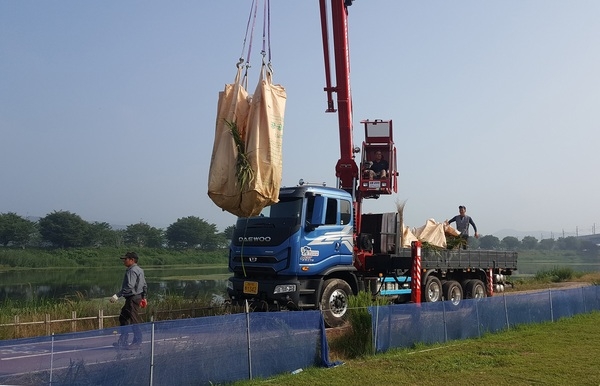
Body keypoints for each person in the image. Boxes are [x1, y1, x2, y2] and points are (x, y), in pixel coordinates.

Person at [110, 251, 147, 349]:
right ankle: (123, 340)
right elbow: (144, 285)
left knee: (134, 320)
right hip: (137, 297)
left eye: (125, 259)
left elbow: (130, 286)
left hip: (132, 298)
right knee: (123, 317)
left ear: (132, 260)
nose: (124, 261)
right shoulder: (140, 270)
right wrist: (143, 297)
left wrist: (117, 295)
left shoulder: (132, 270)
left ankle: (137, 342)